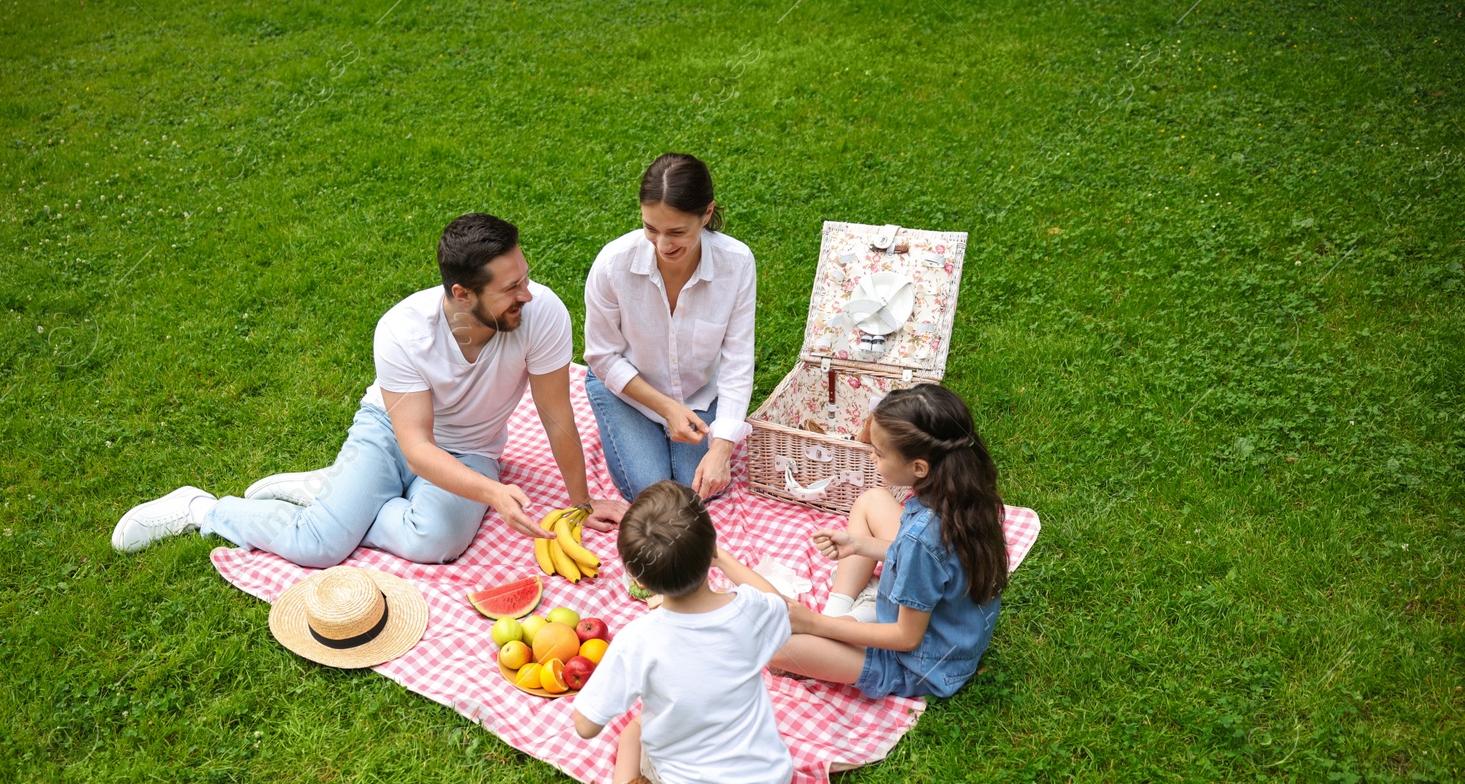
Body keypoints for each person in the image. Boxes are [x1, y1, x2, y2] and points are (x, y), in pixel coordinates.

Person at [111, 214, 625, 565]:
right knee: (319, 546)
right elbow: (417, 446)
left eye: (524, 278)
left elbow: (557, 415)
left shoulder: (542, 314)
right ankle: (204, 508)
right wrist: (492, 494)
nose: (527, 294)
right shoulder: (403, 330)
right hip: (391, 431)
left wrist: (581, 500)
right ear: (462, 293)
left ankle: (340, 497)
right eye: (510, 288)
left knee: (439, 542)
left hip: (471, 448)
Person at [569, 481, 794, 784]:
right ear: (712, 549)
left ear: (638, 581)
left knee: (633, 731)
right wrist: (722, 559)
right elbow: (778, 602)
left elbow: (586, 725)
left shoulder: (638, 640)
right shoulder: (750, 611)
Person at [771, 384, 1009, 700]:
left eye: (880, 453)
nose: (873, 457)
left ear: (919, 467)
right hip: (950, 632)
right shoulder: (965, 494)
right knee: (872, 500)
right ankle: (838, 613)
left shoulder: (921, 539)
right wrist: (860, 545)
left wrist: (814, 624)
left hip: (921, 663)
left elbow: (906, 637)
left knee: (776, 646)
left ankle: (833, 624)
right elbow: (939, 565)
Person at [582, 153, 756, 502]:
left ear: (707, 213)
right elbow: (602, 356)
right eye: (651, 229)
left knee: (697, 489)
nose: (662, 245)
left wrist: (721, 450)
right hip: (628, 390)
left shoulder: (736, 264)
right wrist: (667, 410)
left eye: (677, 232)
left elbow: (737, 362)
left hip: (699, 392)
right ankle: (630, 428)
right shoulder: (613, 265)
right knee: (657, 494)